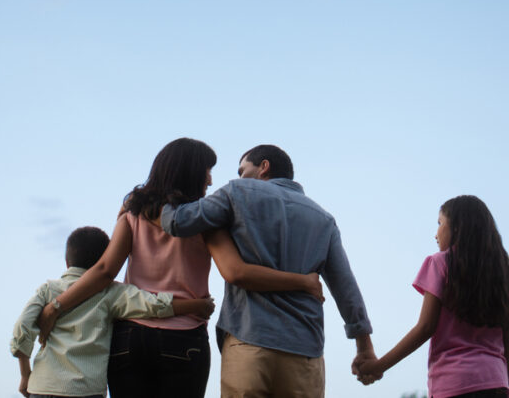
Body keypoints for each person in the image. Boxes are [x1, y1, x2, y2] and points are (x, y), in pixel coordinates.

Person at [36, 138, 322, 398]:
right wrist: (303, 281)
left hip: (129, 338)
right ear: (192, 172)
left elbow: (103, 272)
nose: (211, 179)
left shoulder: (134, 212)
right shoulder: (208, 220)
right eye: (207, 170)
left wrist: (55, 307)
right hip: (184, 338)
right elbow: (235, 271)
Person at [160, 143, 375, 398]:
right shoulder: (323, 219)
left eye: (242, 170)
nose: (239, 176)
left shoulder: (237, 192)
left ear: (264, 167)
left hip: (249, 341)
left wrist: (158, 197)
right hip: (305, 351)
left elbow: (177, 222)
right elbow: (345, 286)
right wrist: (364, 346)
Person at [10, 225, 215, 398]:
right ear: (106, 261)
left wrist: (25, 374)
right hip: (86, 390)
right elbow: (152, 305)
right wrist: (197, 305)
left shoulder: (48, 290)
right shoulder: (110, 292)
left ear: (67, 262)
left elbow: (23, 327)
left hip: (42, 386)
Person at [353, 195, 509, 398]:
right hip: (496, 383)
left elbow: (425, 328)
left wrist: (378, 365)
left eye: (439, 223)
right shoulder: (501, 272)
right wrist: (506, 390)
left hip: (455, 385)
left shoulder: (440, 263)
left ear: (457, 228)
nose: (435, 234)